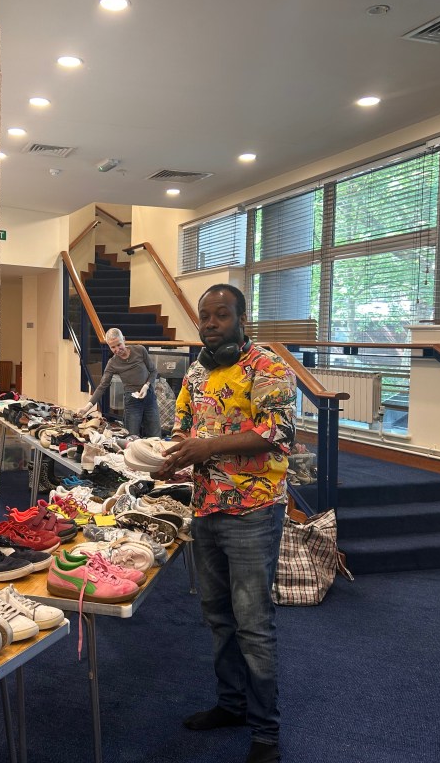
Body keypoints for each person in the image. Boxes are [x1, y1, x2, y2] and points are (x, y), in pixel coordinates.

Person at [156, 284, 296, 763]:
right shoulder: (197, 371)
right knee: (217, 616)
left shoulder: (267, 367)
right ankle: (231, 705)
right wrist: (173, 459)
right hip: (206, 507)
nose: (211, 323)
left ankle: (266, 735)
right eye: (205, 316)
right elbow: (184, 425)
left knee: (253, 624)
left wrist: (208, 447)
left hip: (253, 510)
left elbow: (278, 431)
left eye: (221, 315)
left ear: (241, 318)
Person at [77, 328, 161, 438]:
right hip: (132, 401)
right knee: (131, 437)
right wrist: (86, 408)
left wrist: (146, 385)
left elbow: (153, 371)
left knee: (155, 435)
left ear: (124, 340)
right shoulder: (112, 363)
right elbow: (102, 386)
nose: (117, 349)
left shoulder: (140, 350)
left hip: (149, 397)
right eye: (113, 347)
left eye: (119, 344)